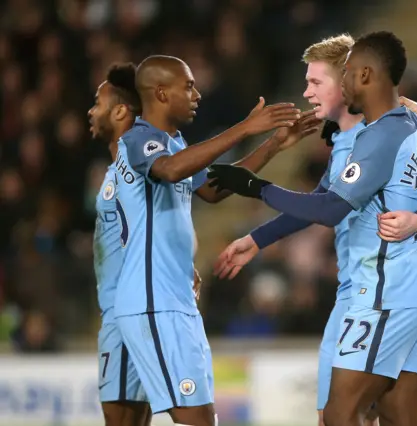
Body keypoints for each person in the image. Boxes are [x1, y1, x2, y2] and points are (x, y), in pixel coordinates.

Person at [208, 31, 417, 426]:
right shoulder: (361, 134)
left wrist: (255, 187)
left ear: (357, 77)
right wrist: (258, 239)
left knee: (338, 415)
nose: (307, 91)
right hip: (388, 288)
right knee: (394, 416)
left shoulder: (375, 135)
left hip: (382, 291)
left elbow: (329, 208)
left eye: (317, 81)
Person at [112, 55, 315, 426]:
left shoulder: (172, 142)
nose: (197, 94)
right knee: (198, 419)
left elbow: (212, 190)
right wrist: (244, 128)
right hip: (154, 301)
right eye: (188, 86)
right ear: (160, 92)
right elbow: (170, 171)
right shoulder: (139, 139)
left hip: (170, 297)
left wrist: (274, 145)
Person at [89, 63, 151, 426]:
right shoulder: (120, 168)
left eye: (98, 103)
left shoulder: (134, 159)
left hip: (125, 318)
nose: (91, 111)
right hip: (121, 314)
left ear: (120, 111)